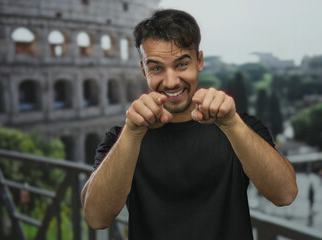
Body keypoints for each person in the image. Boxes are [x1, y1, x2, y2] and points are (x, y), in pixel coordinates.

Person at [81, 9, 298, 239]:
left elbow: (285, 194)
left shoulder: (242, 126)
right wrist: (132, 133)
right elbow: (96, 217)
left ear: (199, 61)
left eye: (182, 64)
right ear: (144, 70)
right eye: (156, 68)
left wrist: (231, 123)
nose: (171, 81)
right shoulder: (121, 138)